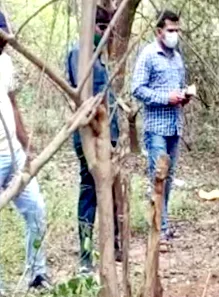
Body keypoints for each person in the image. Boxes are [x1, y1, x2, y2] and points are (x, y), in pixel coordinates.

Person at [66, 6, 121, 274]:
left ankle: (113, 247)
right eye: (101, 29)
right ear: (92, 29)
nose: (105, 34)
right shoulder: (80, 54)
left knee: (110, 191)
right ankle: (86, 257)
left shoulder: (100, 58)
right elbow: (87, 100)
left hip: (107, 137)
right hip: (90, 138)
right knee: (90, 193)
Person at [0, 11, 51, 294]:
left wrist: (26, 143)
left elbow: (12, 103)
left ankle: (37, 274)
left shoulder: (5, 62)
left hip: (15, 153)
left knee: (35, 208)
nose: (6, 43)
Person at [132, 10, 191, 246]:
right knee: (159, 177)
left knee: (170, 177)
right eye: (170, 30)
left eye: (177, 30)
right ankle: (160, 228)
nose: (174, 34)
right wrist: (166, 98)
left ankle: (162, 223)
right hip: (156, 127)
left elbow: (178, 87)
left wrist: (183, 97)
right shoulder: (148, 55)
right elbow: (137, 89)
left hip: (175, 126)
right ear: (159, 31)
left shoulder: (177, 57)